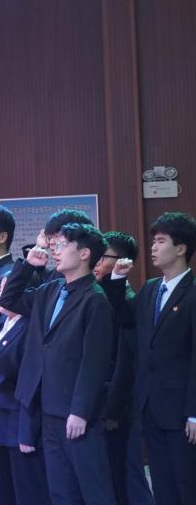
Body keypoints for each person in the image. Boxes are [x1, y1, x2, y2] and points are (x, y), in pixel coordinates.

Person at [0, 223, 115, 504]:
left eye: (62, 245)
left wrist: (80, 411)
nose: (55, 251)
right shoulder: (50, 290)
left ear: (84, 253)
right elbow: (9, 299)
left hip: (76, 413)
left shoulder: (94, 299)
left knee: (93, 490)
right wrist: (28, 265)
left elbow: (95, 362)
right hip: (48, 408)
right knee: (61, 491)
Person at [103, 212, 196, 505]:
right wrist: (118, 279)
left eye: (160, 241)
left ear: (180, 248)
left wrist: (194, 412)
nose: (153, 247)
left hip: (181, 410)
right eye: (153, 241)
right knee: (162, 484)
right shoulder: (152, 288)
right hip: (150, 406)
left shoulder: (193, 293)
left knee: (186, 484)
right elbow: (124, 316)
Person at [94, 231, 153, 505]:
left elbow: (125, 363)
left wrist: (114, 409)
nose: (95, 260)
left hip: (118, 407)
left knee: (129, 477)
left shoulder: (126, 301)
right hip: (101, 403)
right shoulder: (98, 294)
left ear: (122, 262)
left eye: (103, 256)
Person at [0, 276, 51, 505]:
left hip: (19, 425)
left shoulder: (30, 327)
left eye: (6, 287)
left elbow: (31, 383)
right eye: (0, 286)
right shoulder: (1, 324)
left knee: (28, 493)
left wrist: (27, 431)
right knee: (4, 493)